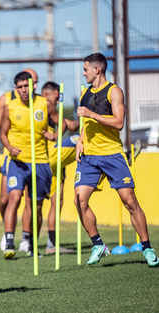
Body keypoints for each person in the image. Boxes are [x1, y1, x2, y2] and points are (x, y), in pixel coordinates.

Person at [75, 52, 158, 267]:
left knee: (130, 202)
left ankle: (147, 247)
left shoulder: (114, 91)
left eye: (86, 69)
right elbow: (86, 124)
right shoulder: (85, 92)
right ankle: (98, 244)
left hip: (112, 154)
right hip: (89, 156)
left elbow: (119, 123)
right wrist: (80, 141)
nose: (83, 73)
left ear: (97, 70)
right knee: (79, 199)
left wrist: (92, 115)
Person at [0, 71, 63, 259]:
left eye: (26, 86)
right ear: (16, 88)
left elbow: (60, 126)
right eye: (19, 87)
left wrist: (54, 135)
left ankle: (32, 245)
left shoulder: (45, 104)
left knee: (36, 206)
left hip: (41, 162)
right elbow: (3, 134)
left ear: (33, 85)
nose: (23, 90)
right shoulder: (9, 107)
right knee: (15, 197)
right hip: (18, 162)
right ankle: (10, 242)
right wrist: (10, 147)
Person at [0, 69, 38, 253]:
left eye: (33, 83)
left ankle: (25, 238)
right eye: (22, 85)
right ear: (17, 85)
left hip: (34, 158)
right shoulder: (5, 100)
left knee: (28, 200)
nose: (28, 88)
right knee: (5, 199)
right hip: (11, 157)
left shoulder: (38, 102)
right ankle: (7, 230)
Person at [41, 82, 78, 254]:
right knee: (80, 140)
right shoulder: (42, 106)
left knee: (58, 201)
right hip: (48, 156)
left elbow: (70, 125)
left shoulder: (53, 111)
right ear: (51, 94)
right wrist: (55, 135)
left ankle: (51, 244)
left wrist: (85, 117)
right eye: (56, 98)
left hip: (55, 163)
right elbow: (63, 126)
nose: (57, 102)